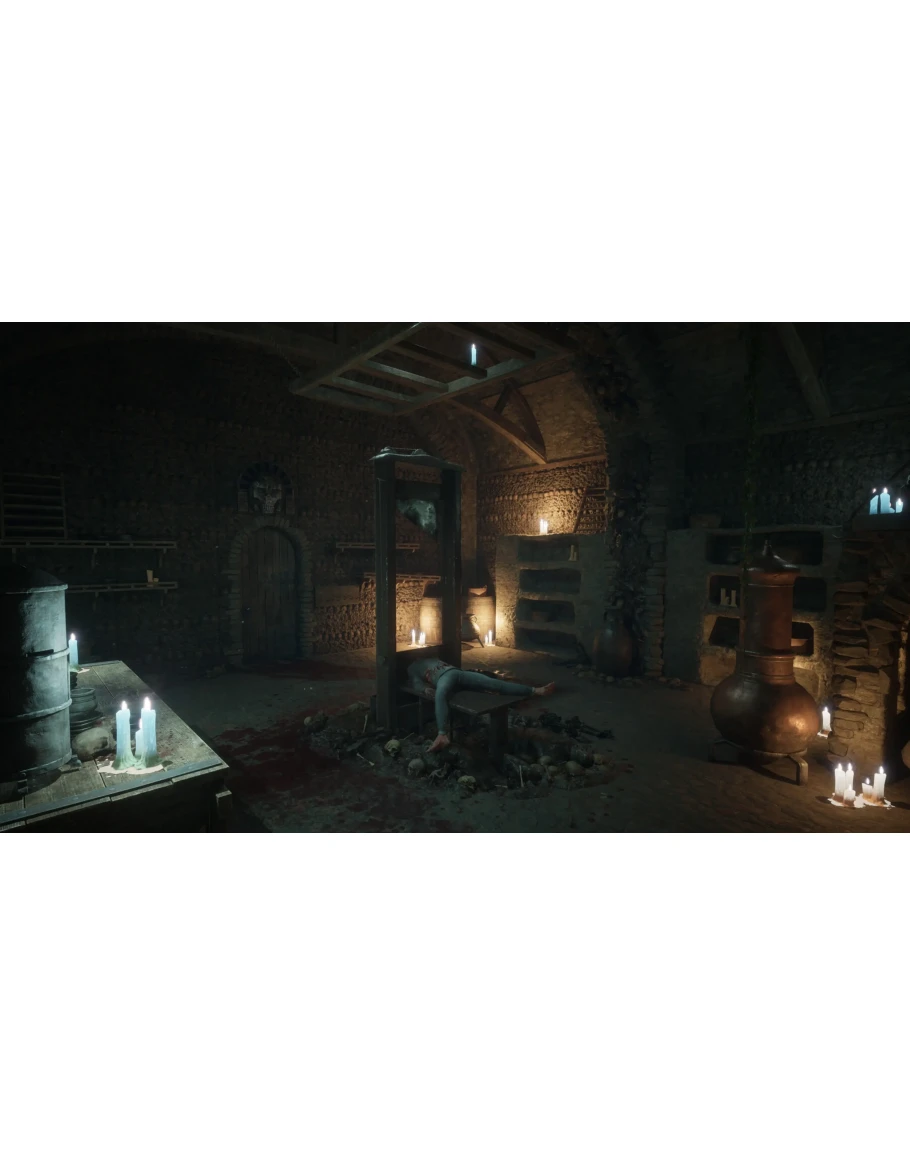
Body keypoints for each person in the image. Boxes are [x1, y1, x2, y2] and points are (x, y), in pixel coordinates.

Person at [407, 656, 555, 753]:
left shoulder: (431, 657)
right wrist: (425, 689)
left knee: (493, 683)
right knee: (441, 693)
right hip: (445, 678)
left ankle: (536, 690)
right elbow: (416, 683)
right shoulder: (413, 667)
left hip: (457, 673)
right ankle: (442, 734)